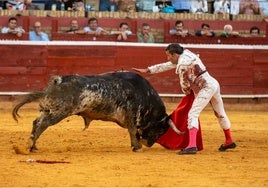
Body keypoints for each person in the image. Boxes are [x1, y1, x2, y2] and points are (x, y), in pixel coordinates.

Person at [132, 43, 236, 155]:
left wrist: (187, 93)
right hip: (213, 83)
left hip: (206, 87)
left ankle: (192, 146)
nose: (168, 58)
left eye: (169, 55)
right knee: (220, 113)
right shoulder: (187, 53)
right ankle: (229, 140)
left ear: (175, 54)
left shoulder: (182, 65)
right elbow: (168, 65)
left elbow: (184, 85)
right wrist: (149, 70)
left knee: (192, 114)